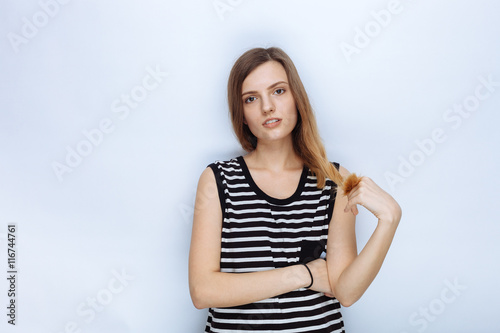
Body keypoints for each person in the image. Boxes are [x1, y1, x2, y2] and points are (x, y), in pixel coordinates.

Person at [188, 47, 402, 332]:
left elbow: (347, 292)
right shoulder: (217, 180)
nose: (267, 107)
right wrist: (304, 275)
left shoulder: (334, 180)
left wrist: (390, 220)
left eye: (278, 91)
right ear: (242, 115)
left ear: (296, 98)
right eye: (251, 98)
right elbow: (203, 291)